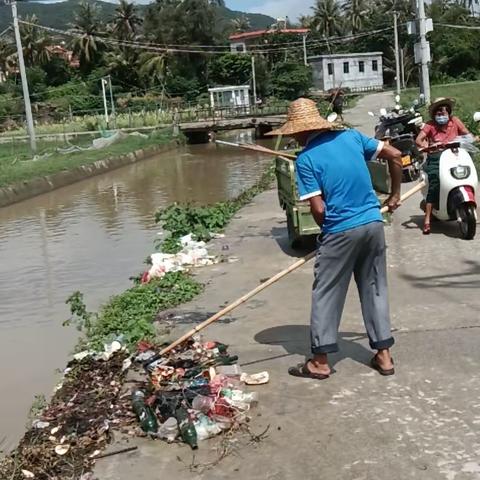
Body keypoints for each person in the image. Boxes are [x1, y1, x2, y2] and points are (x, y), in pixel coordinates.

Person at [268, 98, 402, 379]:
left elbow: (318, 210)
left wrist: (327, 233)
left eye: (292, 131)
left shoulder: (306, 159)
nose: (291, 135)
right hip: (373, 224)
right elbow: (394, 153)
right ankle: (384, 356)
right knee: (374, 287)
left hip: (341, 230)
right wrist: (395, 194)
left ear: (300, 131)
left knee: (327, 292)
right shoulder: (351, 137)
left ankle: (319, 361)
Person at [416, 97, 474, 234]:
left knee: (469, 172)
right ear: (434, 114)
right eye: (439, 113)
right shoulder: (430, 125)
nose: (442, 115)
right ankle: (428, 219)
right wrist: (426, 146)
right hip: (436, 158)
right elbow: (419, 139)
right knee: (435, 180)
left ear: (449, 112)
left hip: (456, 155)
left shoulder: (455, 121)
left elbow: (466, 133)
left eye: (444, 112)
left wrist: (472, 137)